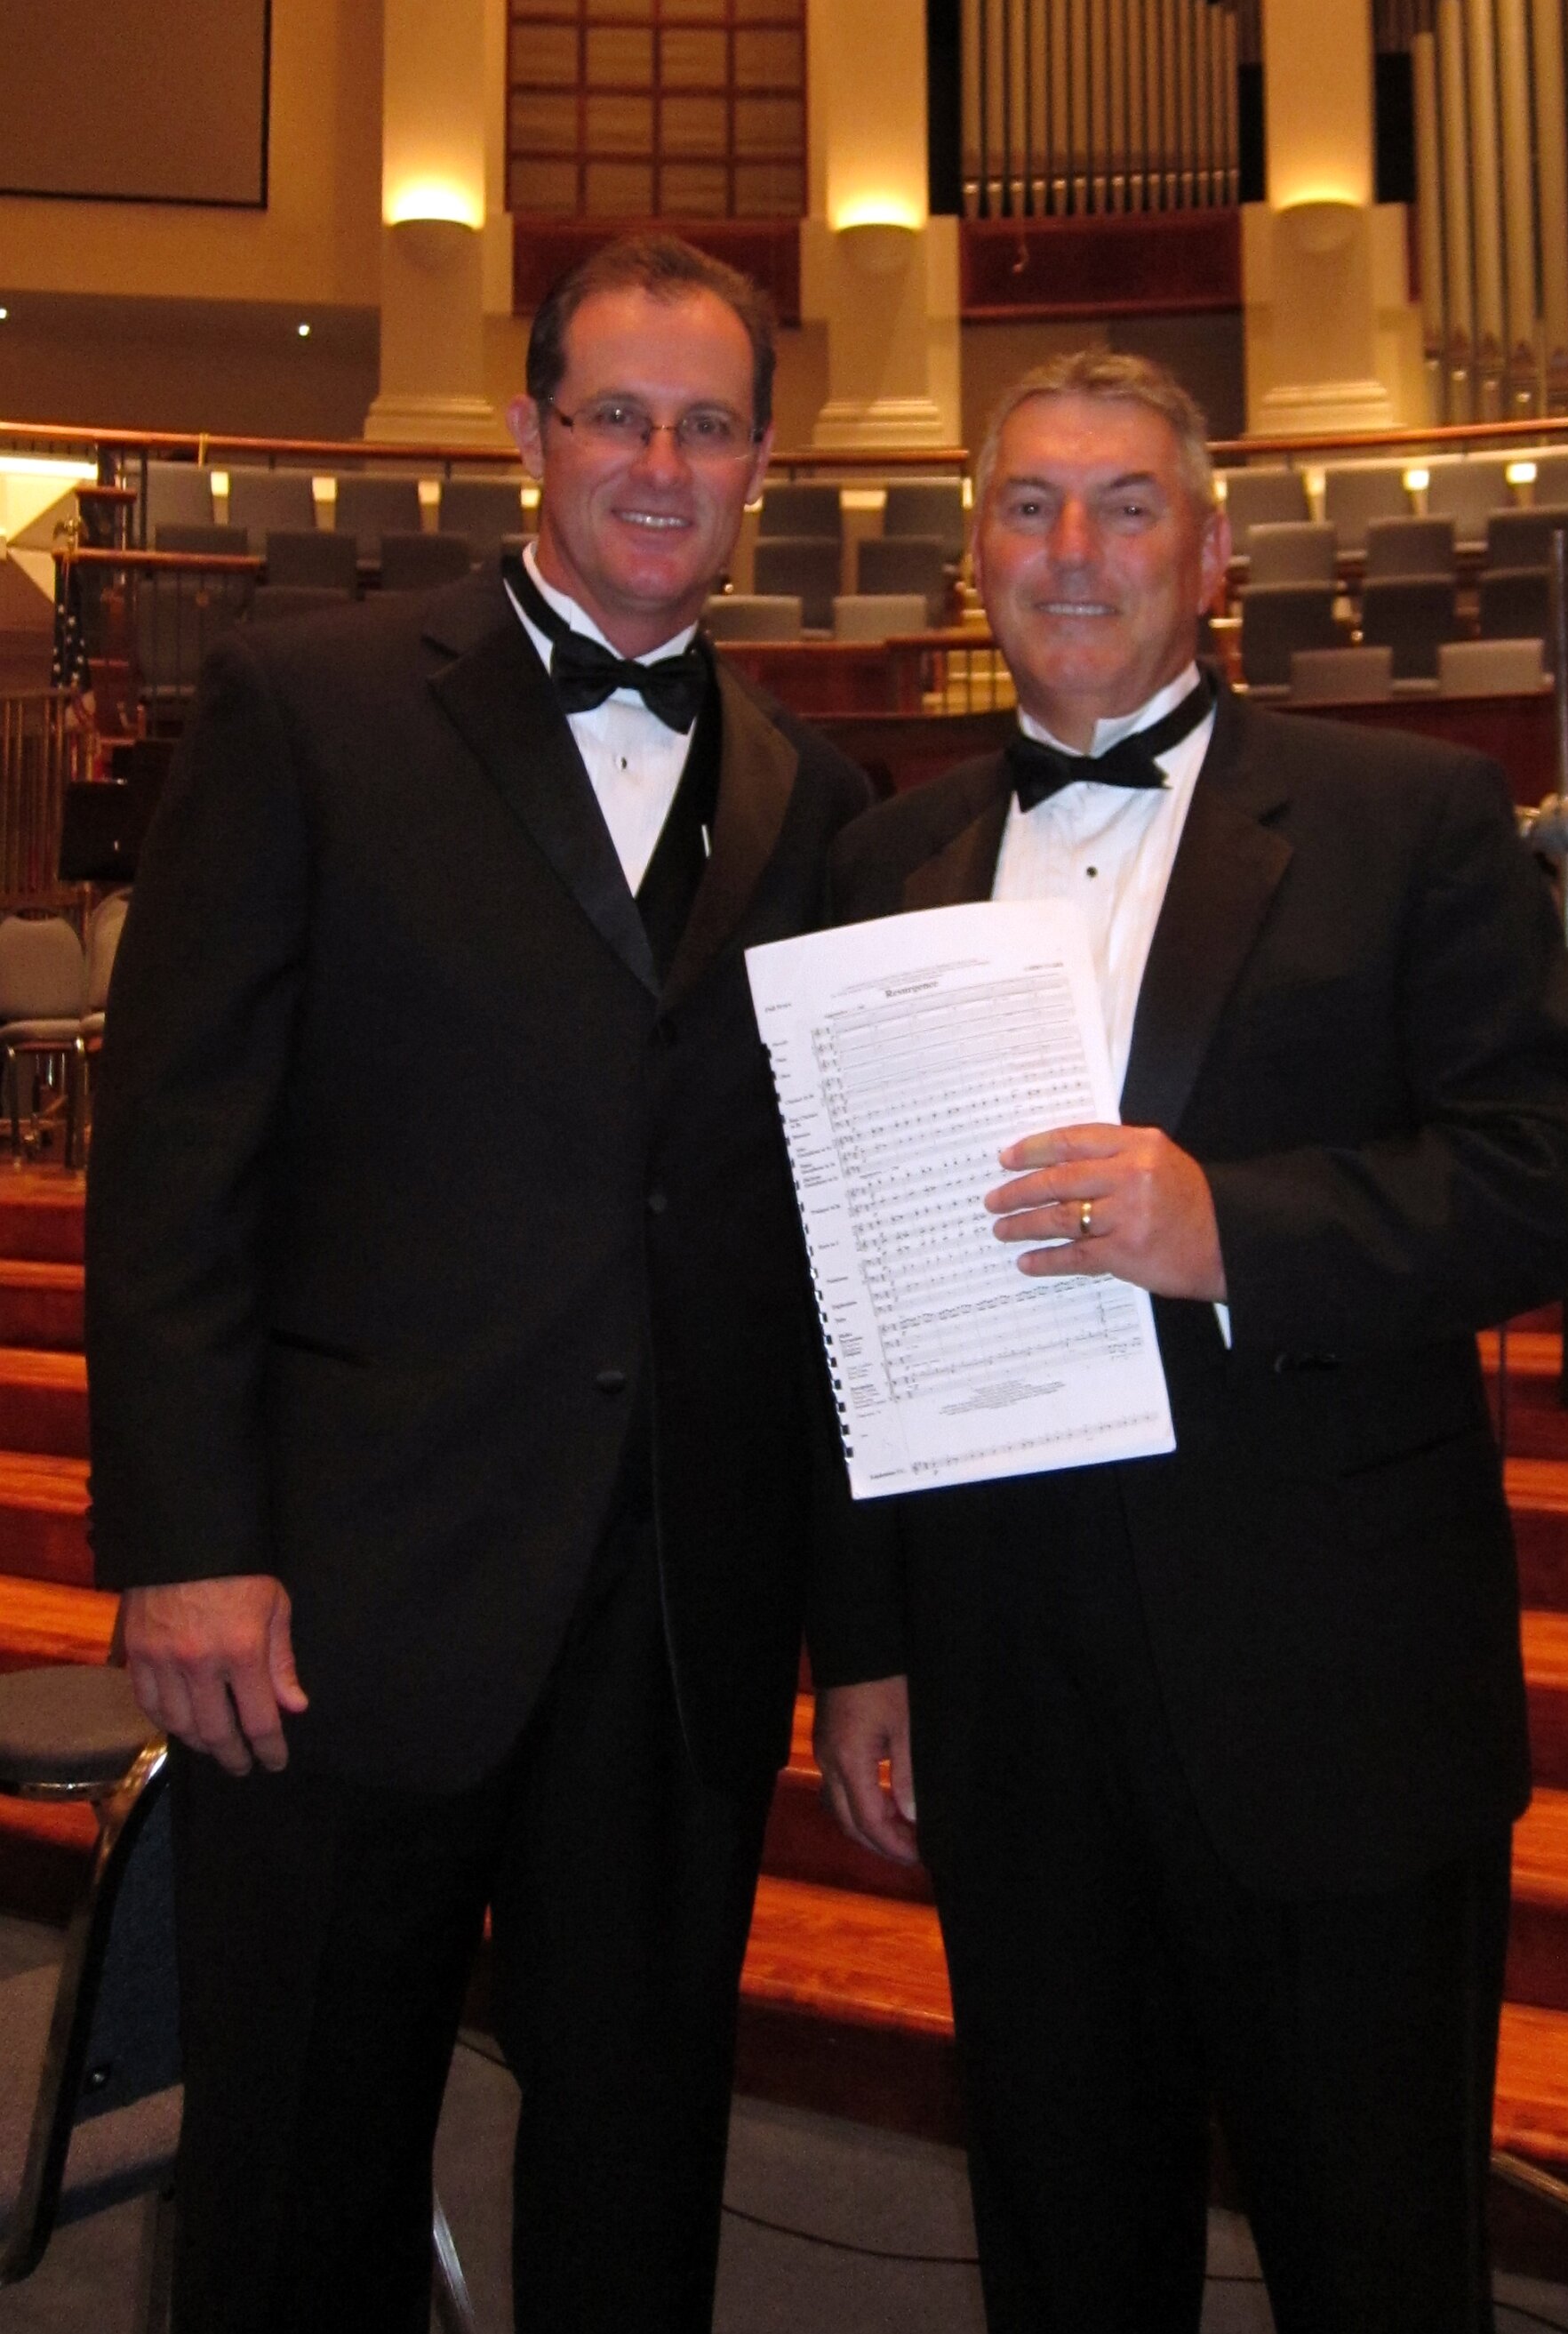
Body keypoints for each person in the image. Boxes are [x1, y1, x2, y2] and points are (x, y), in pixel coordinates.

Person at [810, 349, 1568, 2334]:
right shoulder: (881, 858)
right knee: (1066, 2253)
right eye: (1026, 506)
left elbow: (1557, 1173)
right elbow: (840, 1281)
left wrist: (1229, 1232)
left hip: (1329, 1686)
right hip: (1007, 1687)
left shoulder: (1406, 813)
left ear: (1212, 553)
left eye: (1125, 505)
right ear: (973, 554)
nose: (1071, 548)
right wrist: (865, 1639)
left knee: (1376, 2263)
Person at [85, 233, 868, 2332]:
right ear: (528, 428)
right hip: (346, 1594)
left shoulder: (813, 793)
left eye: (706, 426)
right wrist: (185, 1541)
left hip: (679, 1622)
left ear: (761, 465)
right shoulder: (312, 701)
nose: (658, 464)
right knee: (296, 2174)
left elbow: (811, 1234)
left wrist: (853, 1622)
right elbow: (176, 1150)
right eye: (615, 413)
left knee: (638, 2174)